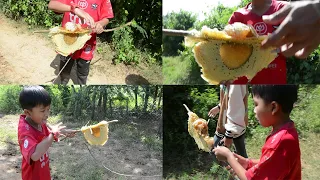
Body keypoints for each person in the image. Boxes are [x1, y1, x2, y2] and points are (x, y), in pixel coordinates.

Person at [213, 85, 301, 180]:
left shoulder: (280, 142)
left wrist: (228, 156)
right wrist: (248, 163)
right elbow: (272, 163)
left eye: (256, 104)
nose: (254, 110)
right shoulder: (287, 131)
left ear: (274, 107)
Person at [48, 0, 114, 84]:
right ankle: (63, 82)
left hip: (87, 43)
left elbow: (107, 17)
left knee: (82, 73)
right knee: (64, 70)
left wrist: (100, 24)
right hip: (68, 42)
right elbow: (52, 4)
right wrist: (74, 9)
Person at [17, 86, 75, 180]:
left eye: (48, 109)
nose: (47, 114)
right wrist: (53, 135)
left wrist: (64, 132)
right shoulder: (25, 131)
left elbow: (49, 134)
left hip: (43, 172)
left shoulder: (39, 122)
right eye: (43, 111)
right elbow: (35, 155)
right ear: (27, 112)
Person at [228, 0, 289, 84]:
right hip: (245, 82)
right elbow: (229, 52)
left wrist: (282, 47)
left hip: (276, 80)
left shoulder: (282, 8)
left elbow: (296, 41)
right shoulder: (238, 16)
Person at [208, 85, 248, 159]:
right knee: (241, 156)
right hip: (228, 125)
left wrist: (229, 134)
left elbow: (236, 104)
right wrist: (219, 107)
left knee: (214, 152)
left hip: (233, 127)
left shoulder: (234, 79)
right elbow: (230, 97)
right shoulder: (227, 76)